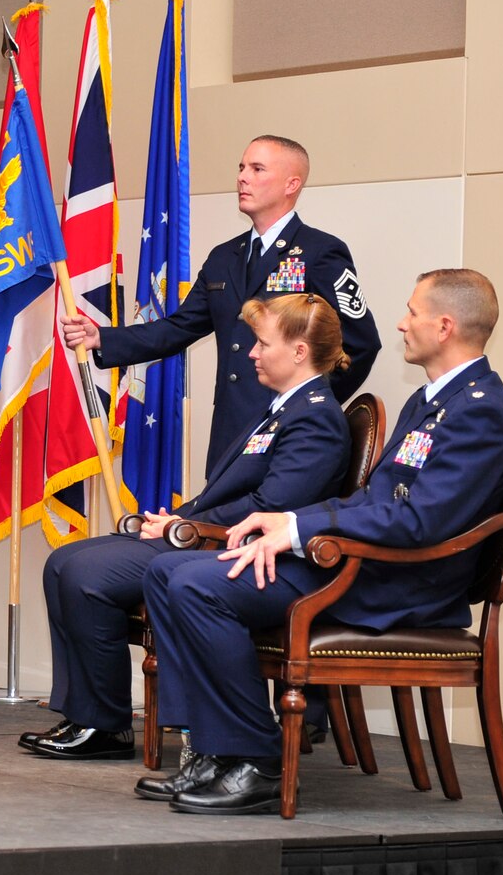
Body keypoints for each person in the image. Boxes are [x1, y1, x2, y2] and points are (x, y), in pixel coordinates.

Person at [142, 269, 503, 815]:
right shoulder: (434, 400)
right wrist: (285, 522)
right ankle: (213, 751)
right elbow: (374, 500)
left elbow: (421, 523)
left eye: (412, 312)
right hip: (364, 562)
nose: (400, 323)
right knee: (167, 573)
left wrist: (300, 532)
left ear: (444, 326)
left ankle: (254, 759)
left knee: (198, 585)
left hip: (398, 580)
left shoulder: (480, 410)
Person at [25, 293, 356, 763]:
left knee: (85, 577)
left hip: (227, 548)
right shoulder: (284, 407)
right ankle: (88, 714)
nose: (253, 353)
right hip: (204, 534)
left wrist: (186, 526)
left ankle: (102, 721)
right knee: (62, 562)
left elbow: (272, 506)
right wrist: (182, 520)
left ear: (299, 351)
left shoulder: (316, 416)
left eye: (262, 343)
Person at [61, 135, 381, 469]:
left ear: (292, 183)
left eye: (257, 169)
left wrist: (309, 403)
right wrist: (103, 337)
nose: (242, 177)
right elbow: (180, 327)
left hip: (292, 435)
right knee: (218, 520)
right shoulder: (224, 256)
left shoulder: (320, 251)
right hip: (231, 431)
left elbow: (361, 343)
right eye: (242, 167)